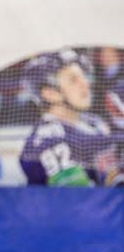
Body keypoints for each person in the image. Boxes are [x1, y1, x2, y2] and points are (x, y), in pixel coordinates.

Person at [20, 49, 124, 187]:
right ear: (50, 93)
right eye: (73, 80)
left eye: (83, 77)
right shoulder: (48, 141)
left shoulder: (94, 122)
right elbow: (79, 201)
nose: (85, 84)